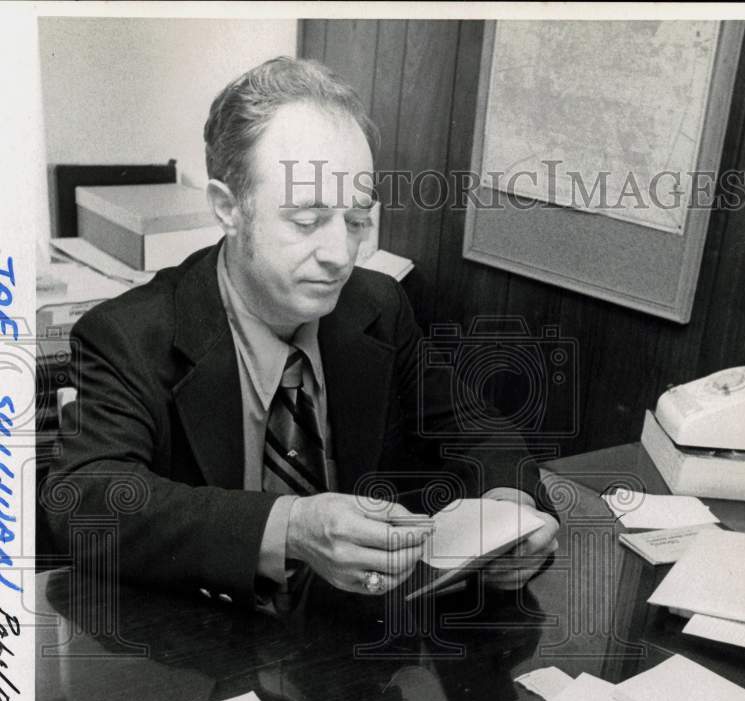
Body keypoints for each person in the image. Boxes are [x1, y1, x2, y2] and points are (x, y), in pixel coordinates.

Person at [44, 57, 558, 611]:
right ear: (228, 208)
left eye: (357, 220)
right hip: (200, 649)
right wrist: (288, 527)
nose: (341, 255)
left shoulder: (377, 304)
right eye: (308, 221)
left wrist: (513, 509)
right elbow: (85, 500)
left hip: (349, 640)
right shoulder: (125, 334)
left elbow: (475, 430)